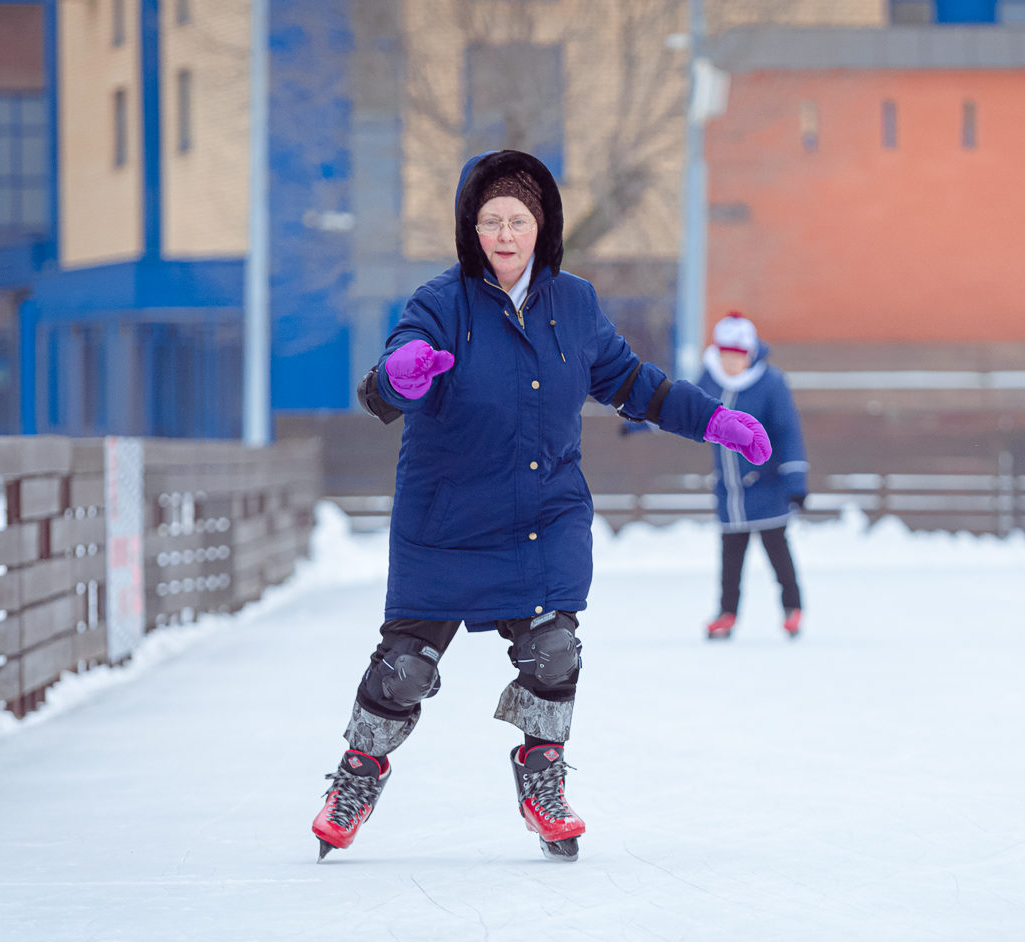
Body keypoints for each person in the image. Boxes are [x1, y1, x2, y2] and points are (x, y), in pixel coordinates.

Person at [312, 150, 771, 862]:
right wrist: (401, 376)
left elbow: (635, 384)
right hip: (447, 518)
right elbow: (384, 385)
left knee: (556, 650)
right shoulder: (440, 302)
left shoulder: (576, 304)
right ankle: (359, 771)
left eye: (517, 220)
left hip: (540, 514)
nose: (503, 233)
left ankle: (542, 775)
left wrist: (715, 421)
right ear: (471, 227)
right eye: (490, 220)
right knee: (405, 669)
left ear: (541, 226)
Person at [696, 312, 808, 641]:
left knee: (777, 552)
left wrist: (796, 483)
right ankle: (727, 613)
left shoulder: (770, 383)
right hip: (730, 493)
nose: (730, 364)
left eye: (737, 357)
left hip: (768, 487)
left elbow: (788, 433)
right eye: (725, 357)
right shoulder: (710, 379)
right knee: (731, 559)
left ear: (750, 354)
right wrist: (638, 421)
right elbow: (683, 408)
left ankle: (792, 607)